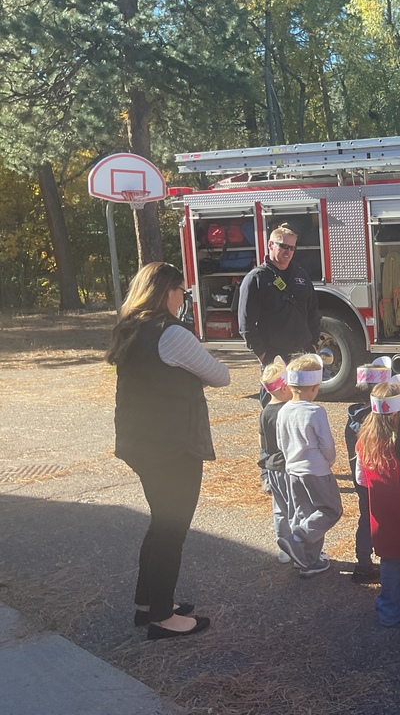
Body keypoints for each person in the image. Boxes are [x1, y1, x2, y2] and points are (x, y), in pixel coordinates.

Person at [107, 261, 229, 640]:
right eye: (182, 290)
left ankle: (149, 603)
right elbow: (220, 376)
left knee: (161, 522)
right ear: (167, 292)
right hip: (171, 446)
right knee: (171, 528)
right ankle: (162, 617)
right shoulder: (171, 334)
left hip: (140, 441)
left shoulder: (133, 328)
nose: (184, 297)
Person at [238, 224, 320, 405]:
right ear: (270, 245)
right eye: (283, 246)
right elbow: (246, 324)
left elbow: (313, 312)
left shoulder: (301, 275)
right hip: (275, 357)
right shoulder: (256, 278)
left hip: (301, 356)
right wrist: (264, 356)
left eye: (292, 248)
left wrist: (313, 345)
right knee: (273, 414)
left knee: (300, 412)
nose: (288, 252)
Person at [276, 354, 342, 578]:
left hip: (293, 470)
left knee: (305, 513)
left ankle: (307, 560)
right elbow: (327, 445)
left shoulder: (283, 410)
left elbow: (280, 442)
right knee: (330, 510)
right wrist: (330, 461)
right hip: (316, 470)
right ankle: (298, 538)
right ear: (315, 387)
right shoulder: (315, 412)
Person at [355, 375, 400, 627]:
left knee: (389, 562)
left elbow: (360, 478)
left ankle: (390, 610)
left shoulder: (364, 440)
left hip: (380, 514)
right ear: (395, 415)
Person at [346, 357, 394, 584]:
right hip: (379, 479)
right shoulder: (374, 419)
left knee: (365, 516)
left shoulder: (352, 418)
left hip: (361, 478)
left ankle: (363, 563)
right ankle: (383, 562)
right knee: (381, 518)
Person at [258, 357, 294, 564]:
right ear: (282, 388)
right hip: (288, 466)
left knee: (279, 508)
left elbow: (262, 441)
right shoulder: (287, 411)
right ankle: (298, 545)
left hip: (272, 466)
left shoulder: (265, 412)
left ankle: (283, 546)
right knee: (296, 506)